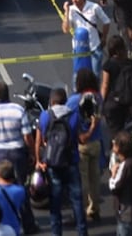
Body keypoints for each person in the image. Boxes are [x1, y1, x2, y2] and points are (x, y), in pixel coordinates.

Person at [0, 82, 37, 232]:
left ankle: (0, 224)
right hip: (17, 155)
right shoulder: (18, 110)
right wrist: (32, 153)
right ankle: (29, 224)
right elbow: (27, 136)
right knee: (21, 189)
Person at [35, 87, 89, 236]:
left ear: (51, 101)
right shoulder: (74, 116)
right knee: (77, 200)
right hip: (71, 162)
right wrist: (93, 126)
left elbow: (38, 141)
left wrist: (39, 161)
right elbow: (81, 138)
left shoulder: (45, 116)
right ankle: (82, 231)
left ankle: (56, 232)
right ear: (65, 100)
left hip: (52, 164)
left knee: (55, 203)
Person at [67, 68, 104, 222]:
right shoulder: (98, 97)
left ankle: (79, 212)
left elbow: (68, 121)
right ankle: (94, 209)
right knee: (95, 178)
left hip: (81, 145)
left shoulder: (74, 100)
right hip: (96, 143)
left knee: (81, 181)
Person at [61, 0, 110, 76]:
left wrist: (104, 38)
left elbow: (106, 21)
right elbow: (65, 29)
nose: (74, 0)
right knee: (79, 76)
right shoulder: (71, 10)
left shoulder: (94, 7)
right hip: (78, 49)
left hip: (94, 47)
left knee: (95, 75)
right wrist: (67, 12)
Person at [107, 131, 132, 236]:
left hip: (126, 215)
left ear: (119, 148)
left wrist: (113, 174)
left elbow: (114, 187)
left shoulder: (126, 166)